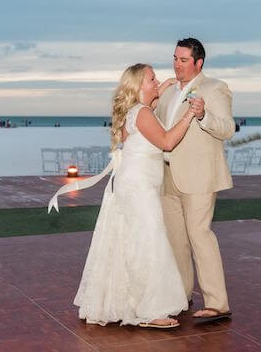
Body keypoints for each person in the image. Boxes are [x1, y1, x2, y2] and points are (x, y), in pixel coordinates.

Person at [53, 64, 194, 328]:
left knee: (129, 240)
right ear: (140, 85)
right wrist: (189, 115)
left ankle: (129, 303)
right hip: (139, 186)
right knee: (148, 241)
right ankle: (151, 312)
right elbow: (166, 142)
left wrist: (159, 91)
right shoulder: (142, 113)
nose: (158, 80)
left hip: (132, 184)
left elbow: (146, 118)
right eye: (153, 79)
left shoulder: (136, 111)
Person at [156, 38, 235, 322]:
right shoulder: (166, 92)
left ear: (198, 63)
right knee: (176, 241)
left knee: (200, 237)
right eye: (175, 58)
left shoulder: (215, 88)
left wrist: (204, 115)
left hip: (199, 176)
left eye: (183, 60)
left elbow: (227, 129)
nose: (176, 64)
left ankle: (217, 303)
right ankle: (181, 295)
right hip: (167, 175)